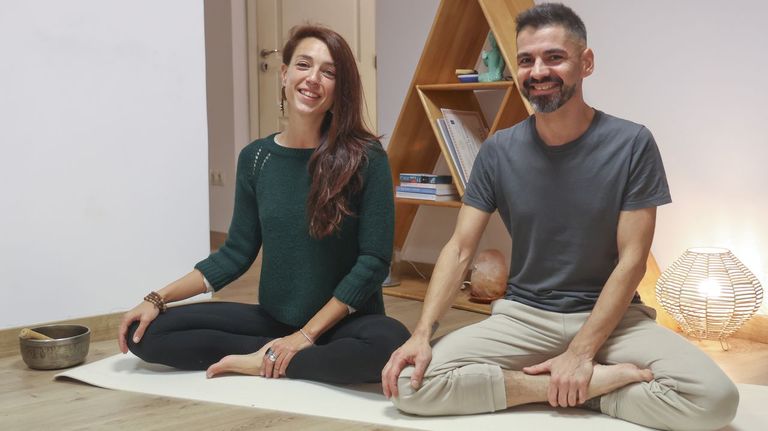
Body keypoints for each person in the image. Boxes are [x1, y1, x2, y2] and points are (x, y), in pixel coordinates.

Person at [381, 3, 739, 430]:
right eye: (527, 60)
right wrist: (421, 333)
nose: (538, 71)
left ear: (585, 63)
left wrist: (582, 352)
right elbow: (459, 249)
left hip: (614, 319)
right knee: (409, 384)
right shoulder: (498, 151)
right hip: (524, 316)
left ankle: (572, 386)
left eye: (554, 57)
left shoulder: (632, 143)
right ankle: (580, 388)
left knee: (716, 401)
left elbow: (633, 262)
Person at [118, 24, 410, 385]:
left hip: (343, 324)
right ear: (285, 74)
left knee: (389, 344)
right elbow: (235, 253)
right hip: (275, 318)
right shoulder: (256, 158)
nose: (314, 78)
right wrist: (156, 298)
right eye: (304, 65)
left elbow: (373, 262)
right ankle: (277, 351)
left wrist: (305, 336)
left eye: (329, 72)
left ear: (339, 90)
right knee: (143, 334)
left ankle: (269, 360)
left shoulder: (366, 157)